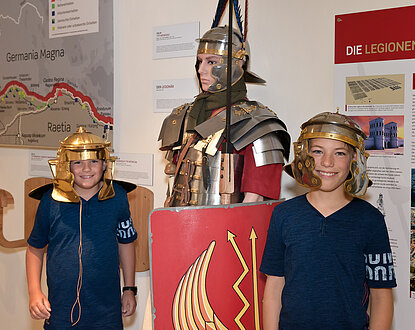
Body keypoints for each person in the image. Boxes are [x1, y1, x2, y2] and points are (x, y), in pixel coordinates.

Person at [260, 112, 397, 329]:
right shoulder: (283, 215)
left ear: (355, 157)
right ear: (304, 155)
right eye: (317, 151)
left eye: (340, 153)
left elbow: (381, 296)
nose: (327, 162)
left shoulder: (370, 220)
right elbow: (275, 287)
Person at [159, 26, 290, 206]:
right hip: (182, 225)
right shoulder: (185, 115)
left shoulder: (257, 123)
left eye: (211, 62)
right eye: (200, 61)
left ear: (239, 63)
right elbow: (174, 178)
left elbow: (255, 201)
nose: (201, 70)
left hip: (225, 229)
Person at [26, 127, 138, 329]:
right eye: (78, 162)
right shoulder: (50, 201)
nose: (86, 169)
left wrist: (129, 289)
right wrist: (34, 291)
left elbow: (126, 242)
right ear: (65, 166)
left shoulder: (118, 197)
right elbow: (35, 247)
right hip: (61, 309)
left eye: (93, 161)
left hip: (107, 311)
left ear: (105, 164)